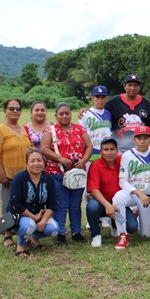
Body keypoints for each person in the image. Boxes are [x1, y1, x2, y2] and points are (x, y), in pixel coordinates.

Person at [40, 102, 93, 244]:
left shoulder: (79, 129)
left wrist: (83, 160)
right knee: (61, 204)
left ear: (71, 114)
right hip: (57, 173)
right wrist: (60, 159)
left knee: (75, 204)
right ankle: (61, 232)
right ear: (56, 115)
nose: (64, 116)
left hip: (77, 173)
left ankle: (76, 231)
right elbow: (44, 148)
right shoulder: (50, 130)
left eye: (67, 113)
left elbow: (89, 146)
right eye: (61, 114)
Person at [0, 98, 32, 247]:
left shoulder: (24, 129)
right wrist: (2, 174)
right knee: (8, 205)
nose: (15, 111)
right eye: (11, 109)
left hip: (24, 176)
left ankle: (24, 233)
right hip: (8, 175)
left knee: (24, 205)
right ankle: (7, 235)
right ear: (5, 111)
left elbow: (30, 151)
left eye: (18, 109)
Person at [86, 137, 139, 248]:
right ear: (101, 151)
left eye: (112, 149)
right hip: (102, 204)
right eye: (106, 150)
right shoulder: (96, 165)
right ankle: (96, 234)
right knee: (92, 206)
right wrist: (107, 205)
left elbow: (138, 154)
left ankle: (115, 225)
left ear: (117, 150)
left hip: (119, 205)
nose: (109, 153)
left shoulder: (122, 160)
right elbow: (94, 190)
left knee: (132, 227)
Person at [8, 148, 59, 257]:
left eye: (39, 160)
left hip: (39, 215)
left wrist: (43, 221)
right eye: (32, 161)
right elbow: (15, 204)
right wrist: (34, 218)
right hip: (21, 216)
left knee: (54, 229)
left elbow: (52, 204)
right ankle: (20, 246)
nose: (36, 164)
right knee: (28, 225)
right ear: (26, 164)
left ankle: (33, 238)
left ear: (44, 163)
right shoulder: (19, 178)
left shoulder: (48, 179)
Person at [113, 126, 150, 249]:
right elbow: (122, 181)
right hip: (132, 194)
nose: (142, 141)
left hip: (149, 196)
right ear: (134, 139)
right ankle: (122, 234)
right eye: (139, 138)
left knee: (146, 235)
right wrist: (138, 192)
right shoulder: (127, 155)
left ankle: (138, 215)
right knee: (117, 198)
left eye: (145, 138)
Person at [106, 74, 150, 153]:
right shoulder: (114, 102)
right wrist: (86, 110)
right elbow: (99, 110)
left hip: (140, 150)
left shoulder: (146, 103)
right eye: (129, 85)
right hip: (119, 150)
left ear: (139, 88)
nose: (132, 88)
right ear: (124, 86)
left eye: (135, 85)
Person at [79, 85, 112, 162]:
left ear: (107, 98)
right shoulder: (85, 114)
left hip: (107, 152)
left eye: (103, 97)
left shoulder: (109, 113)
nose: (100, 100)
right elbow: (81, 135)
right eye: (97, 97)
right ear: (92, 98)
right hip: (91, 152)